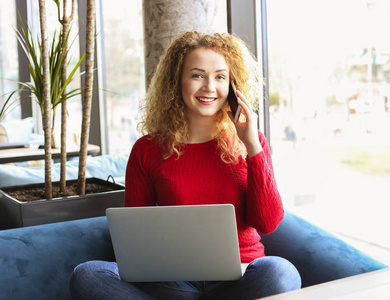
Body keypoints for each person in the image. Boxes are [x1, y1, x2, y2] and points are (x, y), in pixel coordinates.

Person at [70, 31, 301, 300]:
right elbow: (135, 240)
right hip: (174, 283)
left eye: (220, 77)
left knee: (281, 272)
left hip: (242, 278)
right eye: (197, 75)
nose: (209, 87)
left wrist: (252, 145)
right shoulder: (147, 149)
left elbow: (268, 222)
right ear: (176, 81)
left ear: (233, 87)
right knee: (87, 275)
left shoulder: (252, 143)